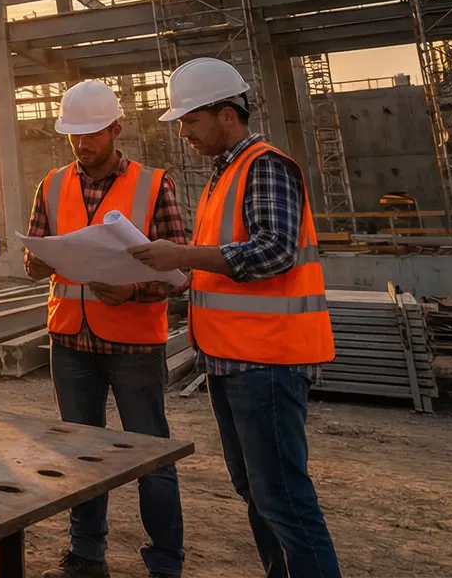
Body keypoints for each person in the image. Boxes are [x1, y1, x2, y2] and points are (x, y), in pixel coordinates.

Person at [130, 58, 340, 578]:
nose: (184, 133)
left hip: (266, 361)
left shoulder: (265, 166)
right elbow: (218, 265)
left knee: (283, 498)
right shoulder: (224, 176)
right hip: (231, 360)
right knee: (259, 493)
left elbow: (273, 252)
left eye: (190, 120)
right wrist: (168, 269)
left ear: (227, 114)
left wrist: (179, 256)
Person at [25, 80, 186, 578]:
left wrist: (134, 291)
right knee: (80, 452)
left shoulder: (154, 183)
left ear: (116, 128)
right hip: (71, 340)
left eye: (92, 132)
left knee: (151, 456)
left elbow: (179, 269)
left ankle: (165, 563)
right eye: (75, 134)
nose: (83, 143)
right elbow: (34, 254)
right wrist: (38, 259)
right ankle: (86, 556)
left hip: (134, 343)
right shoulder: (51, 184)